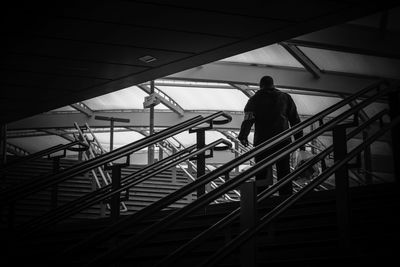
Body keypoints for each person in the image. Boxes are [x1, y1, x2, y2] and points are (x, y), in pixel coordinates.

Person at [238, 75, 304, 196]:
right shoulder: (285, 98)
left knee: (261, 172)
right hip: (283, 141)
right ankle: (285, 198)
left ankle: (262, 199)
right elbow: (295, 120)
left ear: (260, 85)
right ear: (273, 84)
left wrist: (243, 136)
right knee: (284, 171)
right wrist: (301, 143)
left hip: (262, 142)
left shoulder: (254, 100)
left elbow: (248, 119)